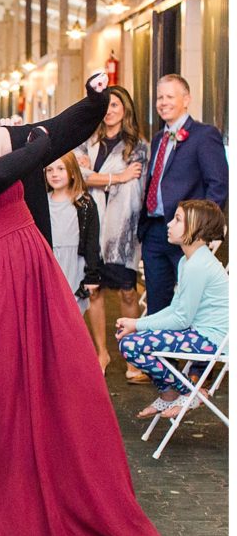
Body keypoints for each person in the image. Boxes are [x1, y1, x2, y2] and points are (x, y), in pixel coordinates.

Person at [0, 63, 171, 536]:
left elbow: (61, 130)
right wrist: (36, 147)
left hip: (37, 270)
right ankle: (8, 523)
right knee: (6, 402)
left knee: (76, 387)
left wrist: (95, 101)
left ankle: (108, 521)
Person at [117, 200, 228, 418]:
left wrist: (137, 325)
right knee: (131, 342)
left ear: (197, 229)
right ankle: (176, 393)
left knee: (130, 344)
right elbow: (175, 309)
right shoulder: (188, 261)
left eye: (177, 219)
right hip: (199, 334)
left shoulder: (198, 265)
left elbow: (181, 319)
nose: (169, 224)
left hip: (213, 341)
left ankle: (185, 393)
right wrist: (137, 325)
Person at [73, 86, 149, 380]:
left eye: (115, 105)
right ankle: (101, 353)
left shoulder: (137, 146)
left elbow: (134, 187)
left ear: (125, 109)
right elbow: (76, 175)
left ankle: (132, 357)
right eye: (106, 105)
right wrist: (116, 177)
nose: (110, 110)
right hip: (91, 224)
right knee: (95, 290)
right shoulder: (87, 140)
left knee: (128, 292)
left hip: (123, 231)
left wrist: (95, 177)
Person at [139, 74, 228, 315]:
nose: (163, 102)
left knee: (192, 303)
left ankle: (194, 350)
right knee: (157, 301)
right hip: (155, 231)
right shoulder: (158, 138)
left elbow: (218, 185)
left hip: (187, 231)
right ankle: (161, 352)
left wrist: (201, 229)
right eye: (159, 97)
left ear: (186, 99)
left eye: (170, 96)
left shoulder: (204, 135)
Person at [45, 152, 101, 315]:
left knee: (73, 314)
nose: (54, 174)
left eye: (61, 169)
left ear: (72, 172)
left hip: (75, 265)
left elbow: (92, 241)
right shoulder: (42, 202)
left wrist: (92, 275)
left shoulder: (84, 203)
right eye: (50, 170)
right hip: (51, 263)